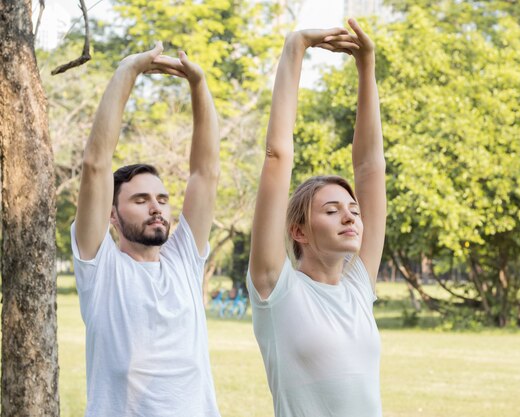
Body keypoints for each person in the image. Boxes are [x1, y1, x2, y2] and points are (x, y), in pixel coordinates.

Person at [71, 43, 221, 416]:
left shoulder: (183, 260)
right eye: (140, 200)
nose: (156, 207)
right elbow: (95, 164)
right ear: (111, 215)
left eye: (161, 198)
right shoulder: (100, 267)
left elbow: (205, 173)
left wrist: (198, 85)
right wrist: (127, 71)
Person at [247, 19, 386, 417]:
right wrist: (295, 49)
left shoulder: (359, 286)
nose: (350, 217)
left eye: (353, 210)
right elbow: (277, 155)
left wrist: (367, 67)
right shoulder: (277, 288)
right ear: (298, 231)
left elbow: (370, 167)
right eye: (331, 210)